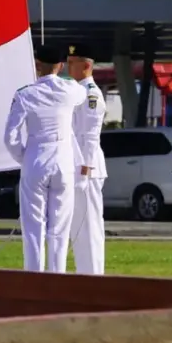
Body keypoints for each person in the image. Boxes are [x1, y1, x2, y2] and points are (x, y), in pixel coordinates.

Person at [3, 45, 87, 273]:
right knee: (59, 228)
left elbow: (10, 137)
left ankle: (34, 275)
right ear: (60, 66)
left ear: (37, 65)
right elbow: (83, 92)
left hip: (36, 157)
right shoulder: (71, 90)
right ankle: (57, 276)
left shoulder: (25, 94)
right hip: (63, 159)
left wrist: (25, 157)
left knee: (33, 227)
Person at [66, 43, 108, 275]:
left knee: (89, 225)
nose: (68, 67)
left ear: (87, 65)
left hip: (87, 169)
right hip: (77, 166)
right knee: (77, 227)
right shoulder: (76, 90)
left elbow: (90, 136)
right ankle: (85, 272)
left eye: (73, 63)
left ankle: (92, 274)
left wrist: (85, 169)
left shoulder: (91, 94)